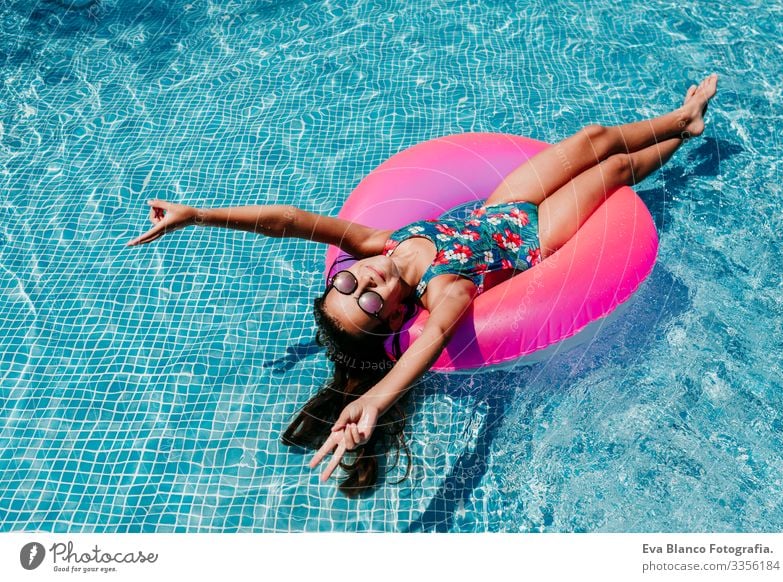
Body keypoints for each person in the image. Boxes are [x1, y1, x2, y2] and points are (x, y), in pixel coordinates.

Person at [127, 74, 718, 496]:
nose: (365, 280)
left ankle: (677, 119)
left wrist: (198, 215)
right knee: (613, 171)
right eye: (367, 300)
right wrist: (376, 399)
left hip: (499, 206)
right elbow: (433, 340)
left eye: (347, 282)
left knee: (592, 136)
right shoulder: (444, 293)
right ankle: (683, 135)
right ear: (391, 319)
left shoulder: (379, 245)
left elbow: (291, 221)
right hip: (533, 235)